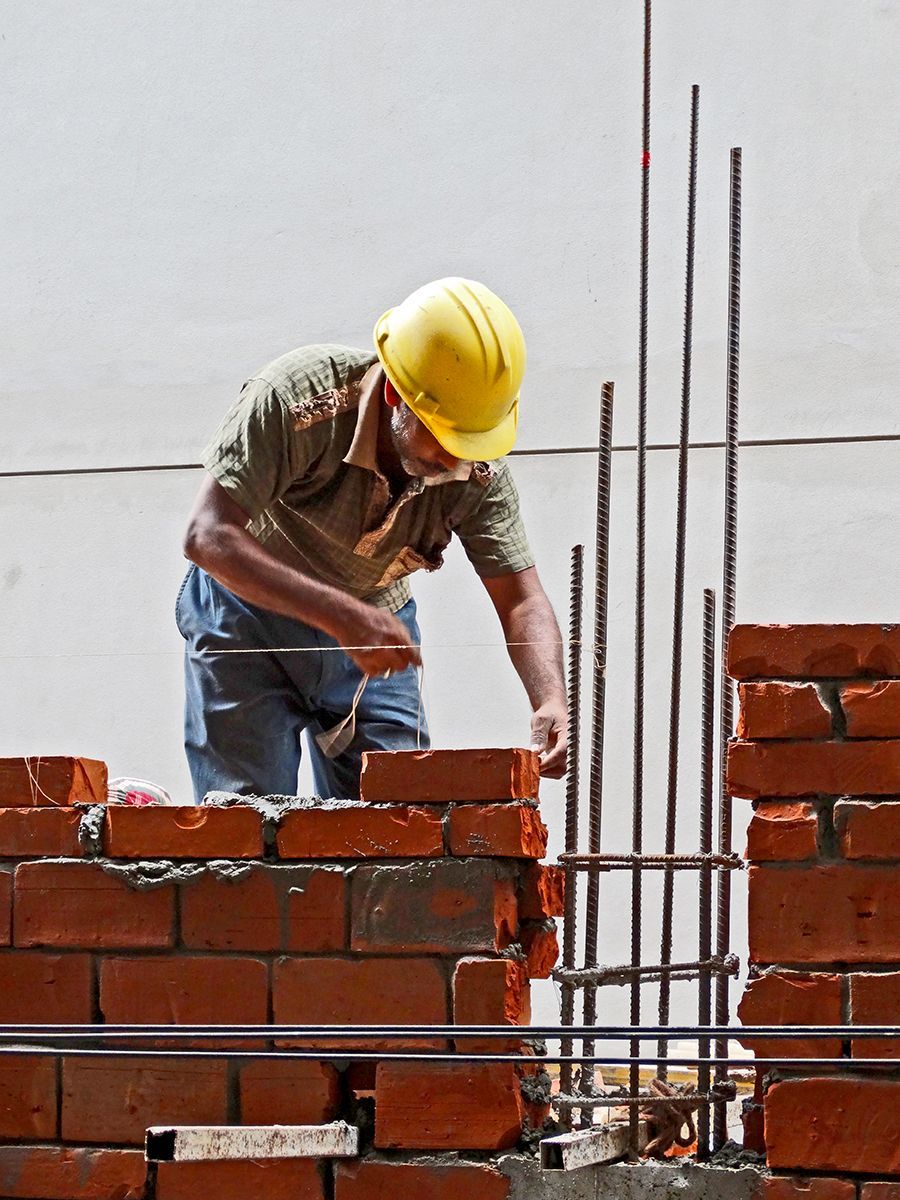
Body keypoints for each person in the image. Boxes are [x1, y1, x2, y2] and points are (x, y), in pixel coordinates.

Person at [177, 277, 568, 802]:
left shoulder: (476, 471)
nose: (455, 460)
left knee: (397, 818)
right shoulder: (299, 399)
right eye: (443, 437)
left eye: (469, 442)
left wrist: (550, 700)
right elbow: (207, 536)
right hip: (244, 619)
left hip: (375, 632)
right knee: (247, 827)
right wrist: (340, 615)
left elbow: (520, 597)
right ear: (393, 394)